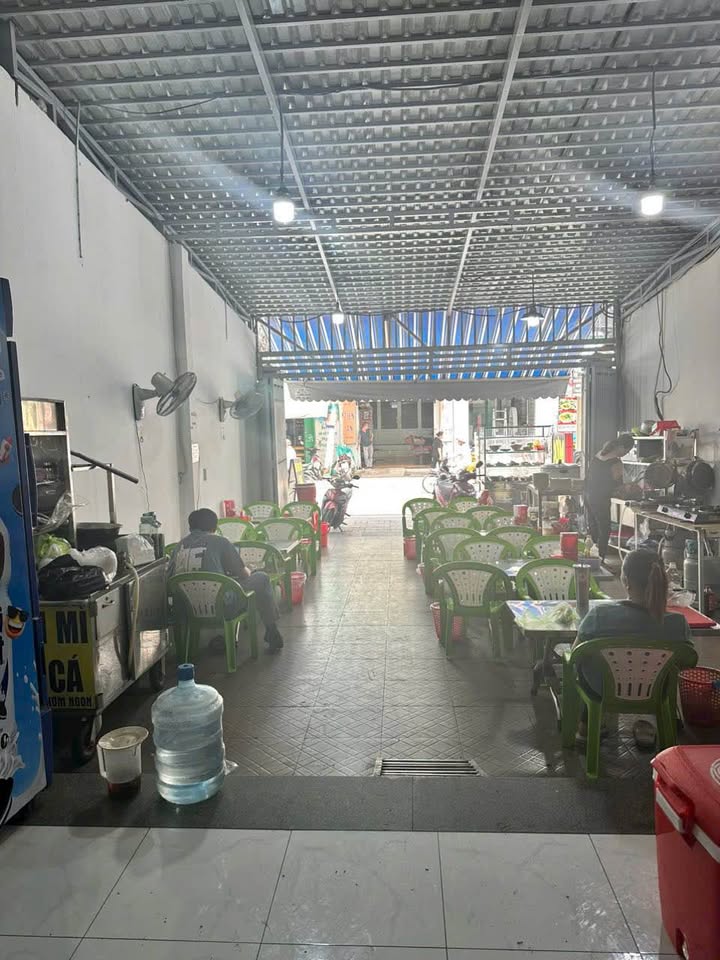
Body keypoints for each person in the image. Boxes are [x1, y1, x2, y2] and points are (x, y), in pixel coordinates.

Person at [574, 549, 692, 743]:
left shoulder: (600, 615)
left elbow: (575, 653)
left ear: (627, 582)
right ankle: (659, 727)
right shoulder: (678, 624)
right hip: (655, 690)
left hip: (602, 689)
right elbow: (687, 663)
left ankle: (586, 726)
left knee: (586, 663)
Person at [170, 508, 284, 653]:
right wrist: (249, 569)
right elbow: (243, 574)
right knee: (262, 578)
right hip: (222, 607)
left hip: (186, 609)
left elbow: (171, 578)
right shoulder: (220, 542)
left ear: (190, 527)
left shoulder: (178, 547)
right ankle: (271, 630)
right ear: (214, 527)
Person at [584, 433, 634, 560]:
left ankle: (589, 557)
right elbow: (618, 485)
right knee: (604, 529)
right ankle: (600, 559)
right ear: (621, 447)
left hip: (587, 494)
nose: (626, 453)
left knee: (593, 527)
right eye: (626, 451)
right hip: (600, 498)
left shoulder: (601, 453)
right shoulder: (616, 462)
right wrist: (628, 488)